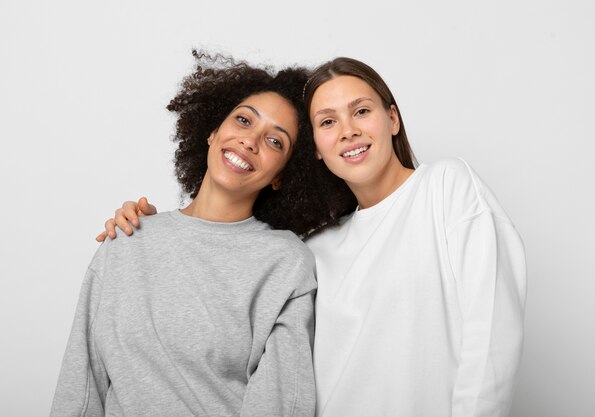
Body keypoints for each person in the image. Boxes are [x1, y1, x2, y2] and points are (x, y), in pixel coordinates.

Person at [99, 57, 527, 417]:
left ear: (392, 119)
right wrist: (152, 231)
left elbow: (490, 340)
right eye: (327, 121)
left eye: (361, 111)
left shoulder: (446, 187)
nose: (348, 130)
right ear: (316, 151)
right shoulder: (313, 249)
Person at [50, 52, 334, 417]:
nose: (250, 141)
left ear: (283, 175)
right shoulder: (126, 239)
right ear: (213, 132)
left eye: (275, 142)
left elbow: (282, 402)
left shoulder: (285, 262)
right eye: (243, 120)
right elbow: (82, 385)